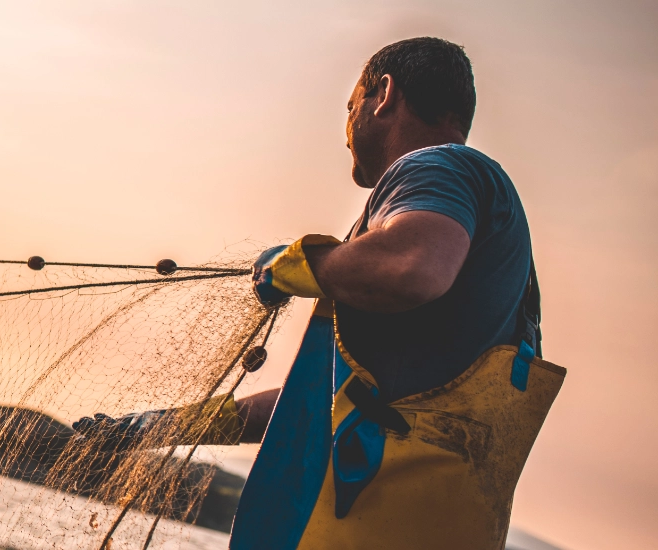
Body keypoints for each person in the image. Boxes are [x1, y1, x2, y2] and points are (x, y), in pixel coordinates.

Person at [71, 37, 566, 549]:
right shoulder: (494, 244)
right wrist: (162, 425)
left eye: (350, 106)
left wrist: (295, 264)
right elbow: (326, 403)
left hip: (371, 522)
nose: (346, 129)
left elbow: (415, 267)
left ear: (385, 95)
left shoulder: (437, 166)